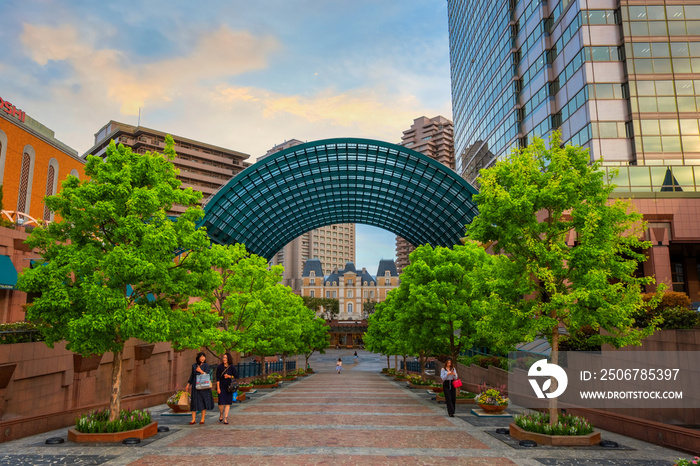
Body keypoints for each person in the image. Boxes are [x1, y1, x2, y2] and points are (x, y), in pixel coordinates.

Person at [185, 352, 215, 425]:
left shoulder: (206, 365)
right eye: (201, 357)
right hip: (196, 386)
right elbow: (192, 376)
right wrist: (188, 384)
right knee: (194, 402)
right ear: (198, 358)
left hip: (204, 386)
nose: (203, 358)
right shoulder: (194, 366)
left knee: (203, 402)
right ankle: (193, 419)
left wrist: (200, 371)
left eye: (204, 357)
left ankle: (202, 419)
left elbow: (207, 375)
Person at [216, 352, 238, 425]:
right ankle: (221, 414)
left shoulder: (232, 367)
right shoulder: (219, 367)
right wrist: (218, 388)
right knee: (221, 403)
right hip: (221, 386)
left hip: (229, 387)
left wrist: (229, 376)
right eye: (223, 357)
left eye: (225, 358)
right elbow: (217, 379)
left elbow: (236, 376)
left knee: (228, 403)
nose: (224, 359)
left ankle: (225, 418)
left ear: (228, 359)